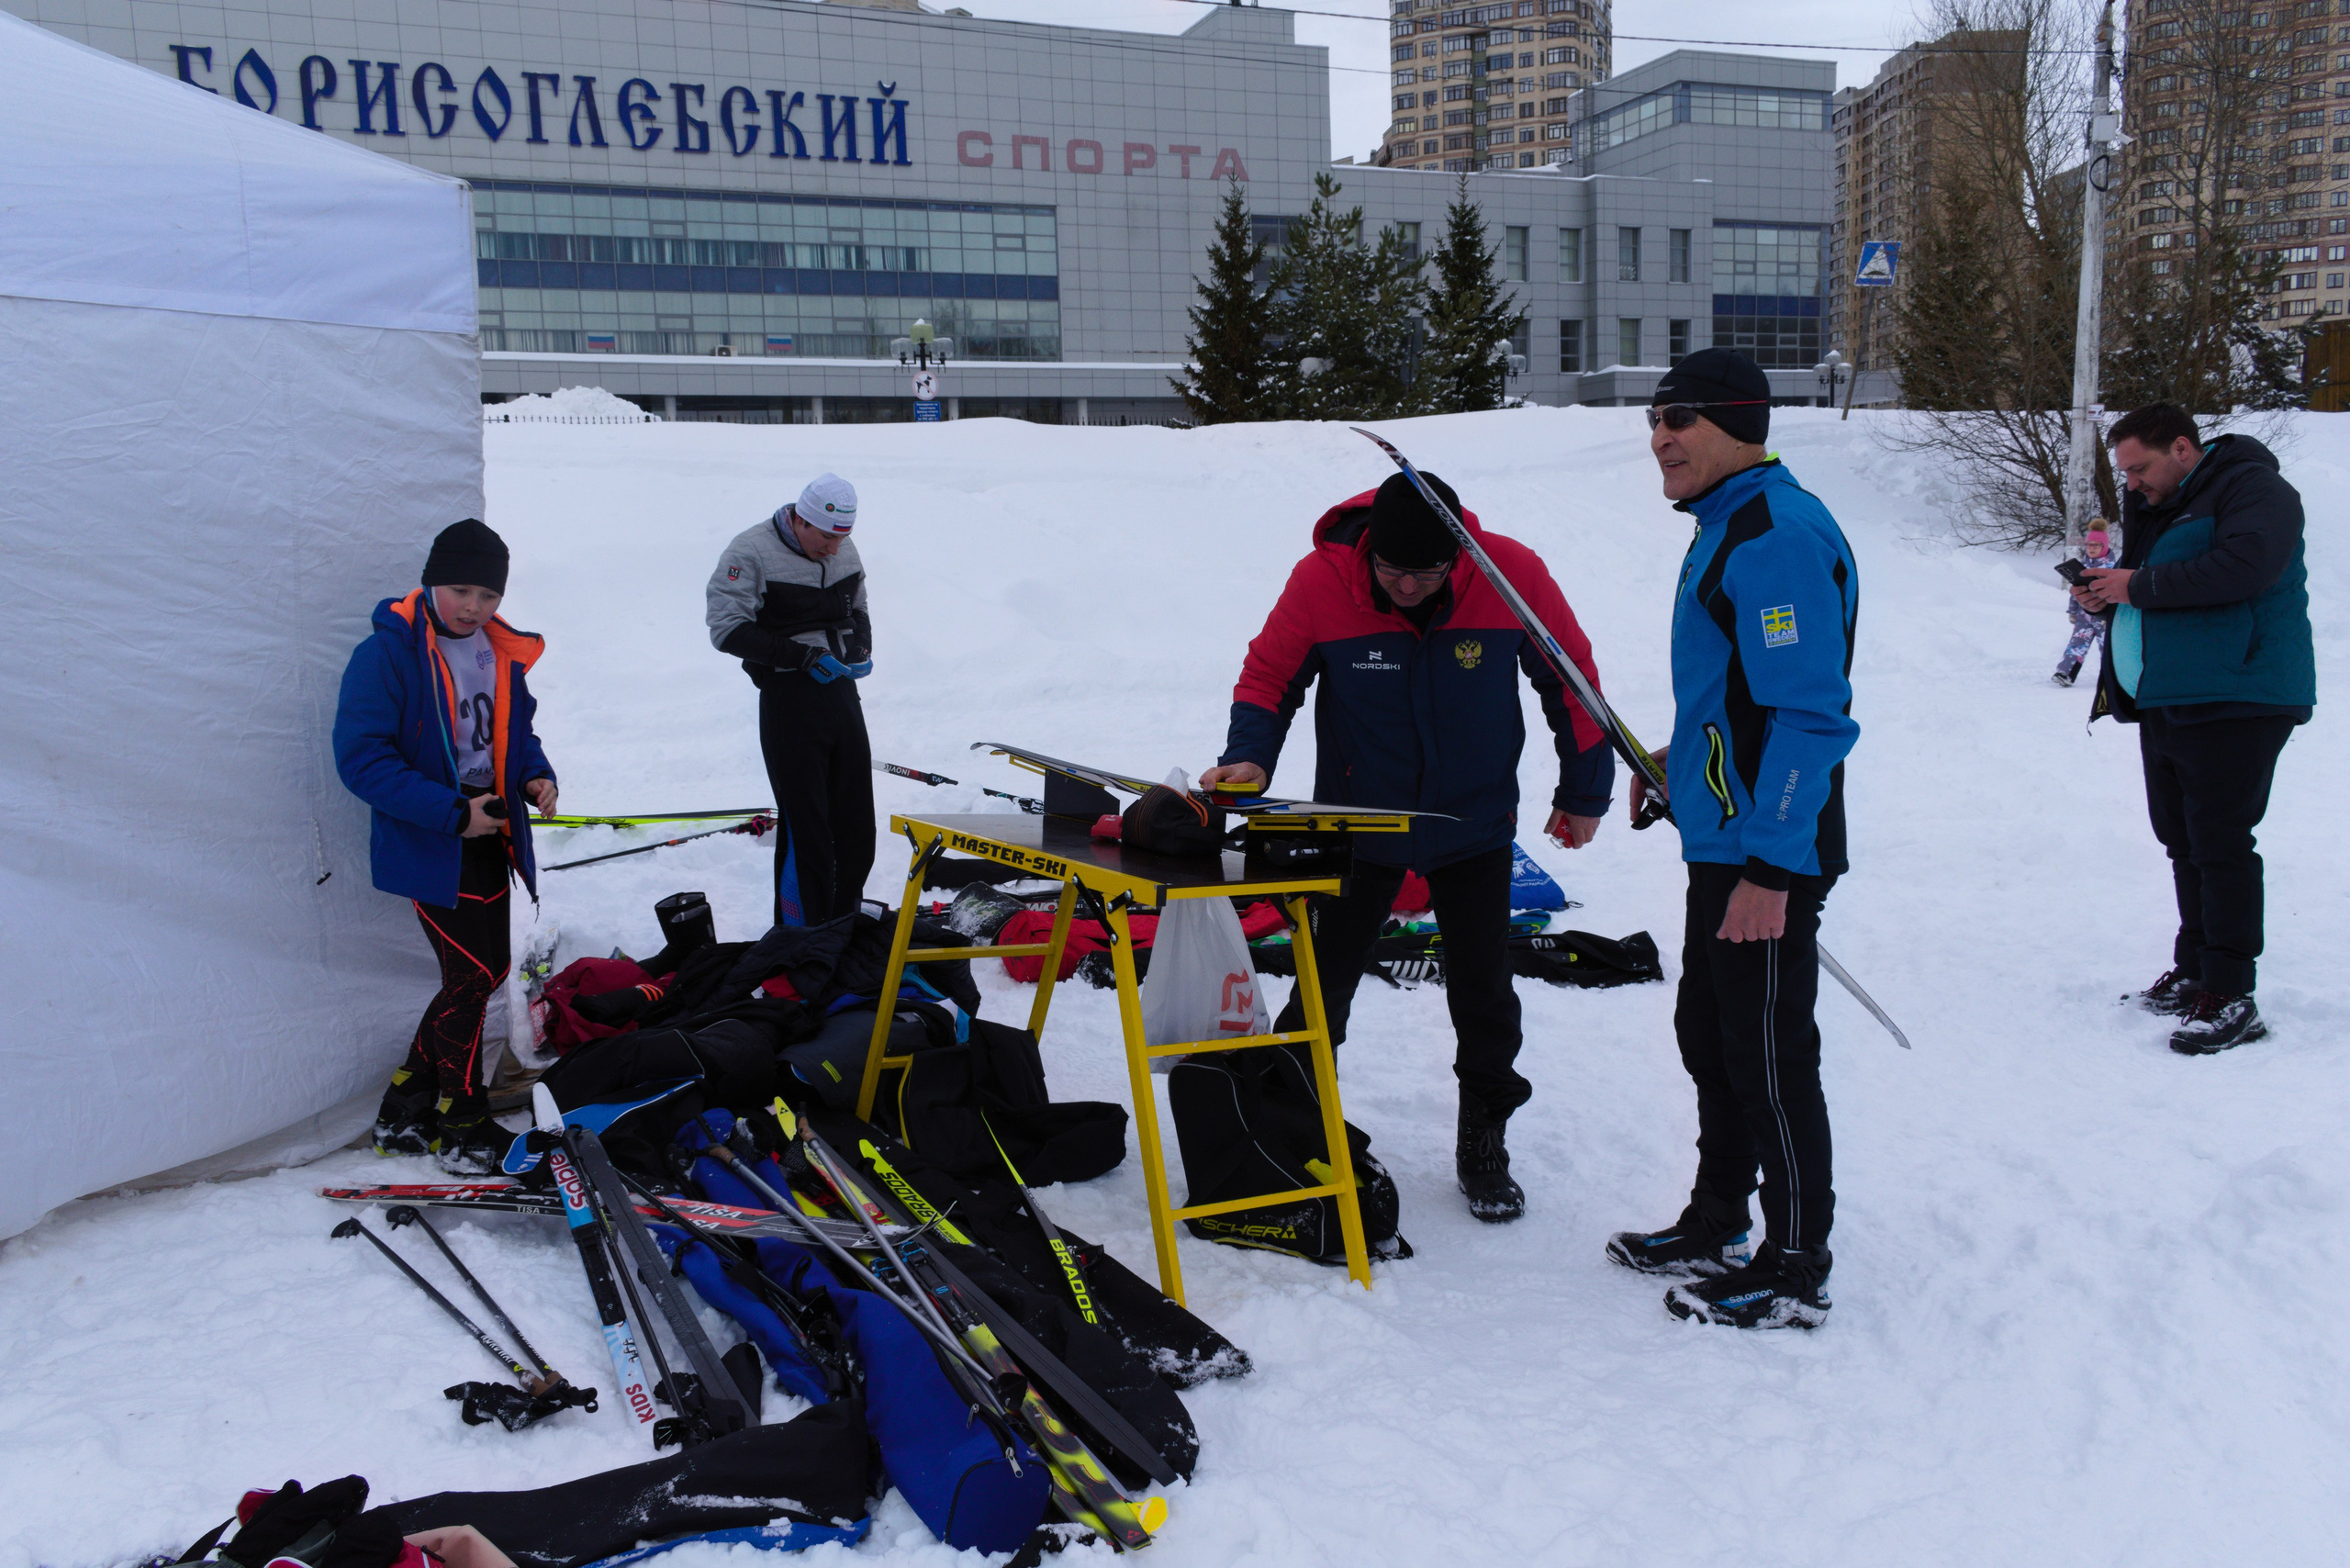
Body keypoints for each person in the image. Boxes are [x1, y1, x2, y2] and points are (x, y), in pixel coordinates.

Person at [1198, 471, 1615, 1224]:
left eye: (1428, 572)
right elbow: (1268, 677)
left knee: (1485, 993)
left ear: (1458, 555)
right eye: (1393, 570)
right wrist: (1250, 756)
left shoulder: (1509, 573)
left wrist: (1584, 791)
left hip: (1472, 824)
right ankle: (1295, 1125)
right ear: (1370, 554)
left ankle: (1484, 1141)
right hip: (1359, 824)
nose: (1410, 586)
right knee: (1322, 986)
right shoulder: (1322, 580)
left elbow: (1571, 678)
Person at [1606, 347, 1859, 1329]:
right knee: (1710, 1036)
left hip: (1768, 848)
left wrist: (1772, 864)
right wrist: (1679, 758)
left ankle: (1795, 1261)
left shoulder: (1773, 534)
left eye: (1680, 420)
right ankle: (1719, 1217)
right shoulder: (1724, 523)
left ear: (1739, 424)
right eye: (1654, 420)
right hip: (1725, 836)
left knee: (1767, 1055)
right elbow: (1740, 695)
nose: (1660, 438)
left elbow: (1808, 715)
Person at [2070, 403, 2313, 1055]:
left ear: (2182, 447)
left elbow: (2245, 567)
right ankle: (2197, 970)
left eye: (2139, 468)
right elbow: (2154, 588)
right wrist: (2106, 593)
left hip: (2239, 693)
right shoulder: (2159, 502)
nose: (2132, 482)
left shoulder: (2254, 488)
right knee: (2182, 839)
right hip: (2170, 693)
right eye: (2125, 473)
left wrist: (2136, 586)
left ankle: (2232, 993)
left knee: (2220, 841)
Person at [334, 519, 556, 1174]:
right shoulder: (387, 654)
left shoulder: (497, 649)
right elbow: (362, 760)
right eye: (460, 590)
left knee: (485, 973)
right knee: (471, 978)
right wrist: (453, 813)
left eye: (488, 595)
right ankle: (460, 1123)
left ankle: (404, 1111)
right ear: (432, 582)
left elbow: (515, 731)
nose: (473, 607)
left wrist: (534, 775)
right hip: (434, 838)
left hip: (492, 830)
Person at [705, 474, 875, 928]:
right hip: (789, 699)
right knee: (808, 830)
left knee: (857, 828)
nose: (834, 549)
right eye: (826, 537)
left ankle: (843, 930)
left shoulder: (841, 547)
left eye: (843, 538)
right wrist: (803, 658)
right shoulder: (750, 551)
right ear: (801, 520)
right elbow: (726, 630)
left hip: (840, 691)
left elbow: (858, 607)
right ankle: (801, 938)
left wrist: (860, 648)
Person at [2051, 520, 2112, 686]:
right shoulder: (2082, 567)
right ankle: (2066, 673)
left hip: (2104, 617)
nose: (2091, 548)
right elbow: (2075, 592)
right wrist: (2072, 611)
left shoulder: (2112, 568)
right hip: (2084, 615)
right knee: (2077, 643)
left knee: (2107, 647)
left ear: (2104, 546)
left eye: (2096, 545)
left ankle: (2110, 678)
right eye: (2089, 545)